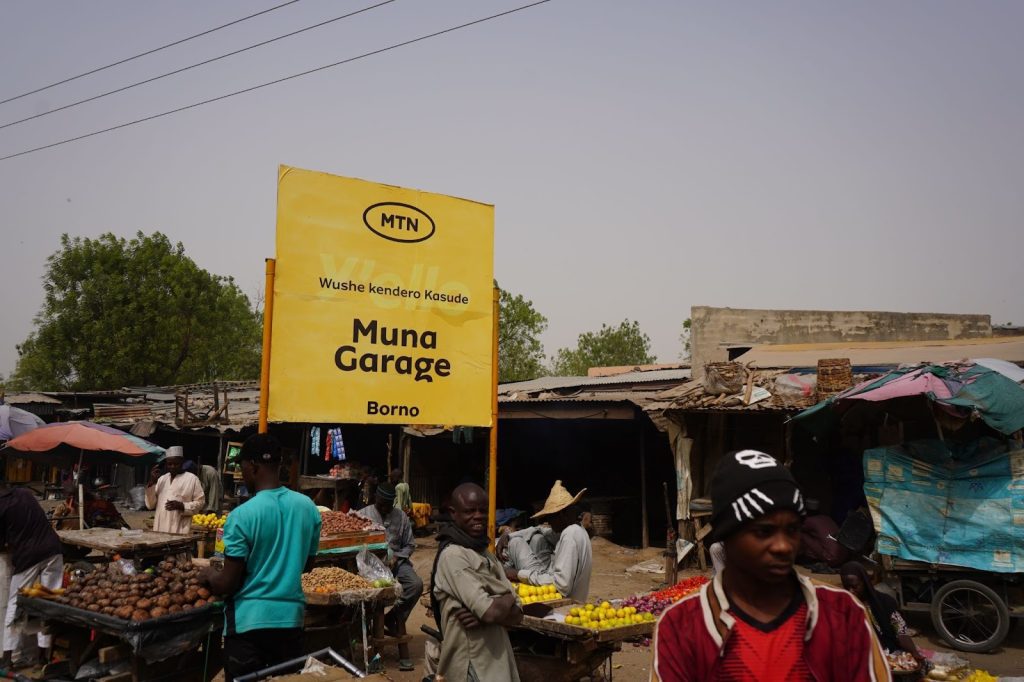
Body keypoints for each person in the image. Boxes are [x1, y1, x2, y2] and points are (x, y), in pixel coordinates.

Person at [651, 449, 891, 682]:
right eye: (764, 531)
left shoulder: (842, 614)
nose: (783, 546)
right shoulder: (682, 627)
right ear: (727, 535)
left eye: (792, 530)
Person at [201, 434, 321, 682]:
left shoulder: (242, 515)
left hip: (249, 625)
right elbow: (307, 566)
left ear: (252, 466)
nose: (242, 473)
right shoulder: (308, 507)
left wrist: (209, 575)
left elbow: (227, 584)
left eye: (242, 467)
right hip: (291, 621)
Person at [431, 483, 522, 682]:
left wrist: (493, 609)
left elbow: (517, 615)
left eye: (482, 510)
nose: (478, 516)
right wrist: (508, 597)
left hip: (496, 659)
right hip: (472, 664)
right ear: (454, 513)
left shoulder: (484, 553)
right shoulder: (453, 556)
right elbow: (491, 611)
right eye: (470, 511)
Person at [0, 483, 64, 669]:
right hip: (53, 550)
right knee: (48, 601)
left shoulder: (1, 507)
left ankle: (6, 658)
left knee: (15, 603)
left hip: (28, 557)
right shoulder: (25, 493)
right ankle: (43, 657)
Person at [359, 483, 421, 670]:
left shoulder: (401, 517)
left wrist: (397, 558)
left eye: (388, 504)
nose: (385, 508)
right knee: (373, 597)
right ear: (375, 498)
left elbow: (410, 545)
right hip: (370, 566)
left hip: (396, 563)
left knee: (416, 585)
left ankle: (394, 617)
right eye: (381, 504)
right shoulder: (362, 514)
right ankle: (373, 642)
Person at [499, 481, 592, 602]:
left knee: (516, 543)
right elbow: (540, 529)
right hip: (569, 593)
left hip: (564, 599)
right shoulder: (577, 529)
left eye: (550, 517)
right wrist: (509, 535)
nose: (548, 522)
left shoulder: (569, 535)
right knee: (536, 537)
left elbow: (561, 585)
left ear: (562, 514)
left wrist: (518, 574)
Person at [841, 562, 926, 668]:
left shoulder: (885, 602)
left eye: (855, 586)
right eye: (846, 587)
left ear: (865, 582)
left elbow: (900, 631)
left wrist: (914, 652)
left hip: (887, 650)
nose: (850, 591)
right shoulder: (842, 605)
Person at [145, 446, 205, 534]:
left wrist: (182, 506)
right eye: (169, 464)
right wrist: (152, 482)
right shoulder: (162, 479)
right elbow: (150, 505)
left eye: (176, 464)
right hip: (160, 527)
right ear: (166, 464)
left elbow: (200, 503)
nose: (172, 467)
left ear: (182, 462)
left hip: (180, 528)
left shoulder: (192, 479)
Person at [53, 478, 129, 529]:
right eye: (70, 495)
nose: (72, 497)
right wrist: (66, 512)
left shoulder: (84, 505)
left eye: (74, 495)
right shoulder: (62, 507)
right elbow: (55, 525)